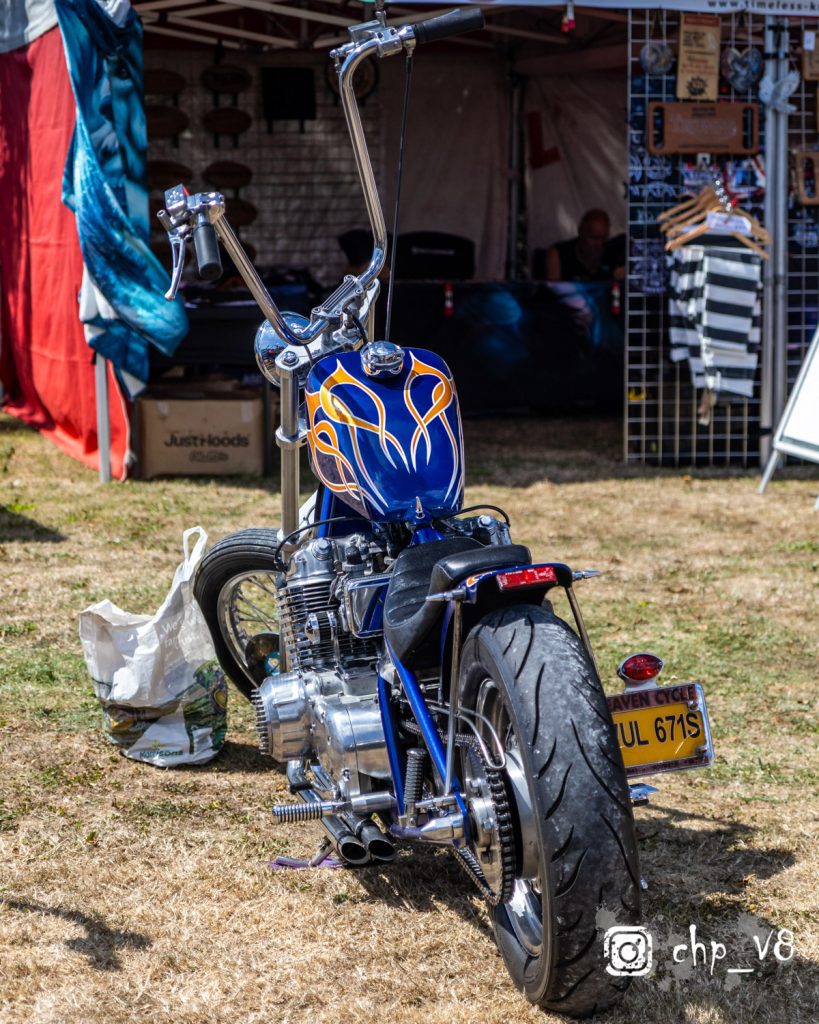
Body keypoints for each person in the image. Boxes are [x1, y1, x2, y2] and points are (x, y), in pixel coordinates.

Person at [544, 210, 624, 282]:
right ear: (581, 232)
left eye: (603, 238)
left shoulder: (614, 251)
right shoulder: (559, 254)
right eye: (594, 238)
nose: (599, 244)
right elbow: (553, 293)